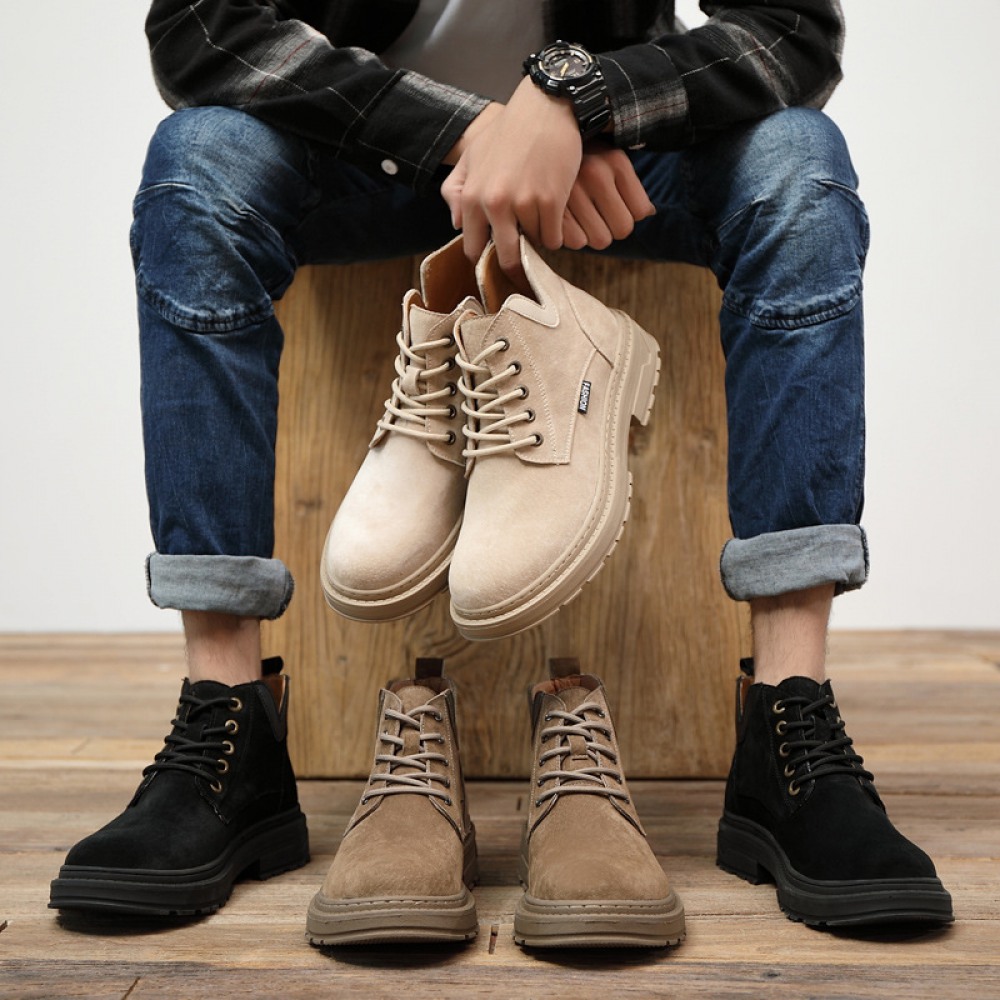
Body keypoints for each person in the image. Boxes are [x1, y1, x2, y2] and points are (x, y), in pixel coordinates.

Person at [50, 0, 953, 940]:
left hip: (604, 163)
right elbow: (200, 30)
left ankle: (788, 720)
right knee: (197, 161)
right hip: (371, 153)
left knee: (800, 159)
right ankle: (226, 720)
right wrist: (466, 131)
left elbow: (793, 29)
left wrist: (577, 101)